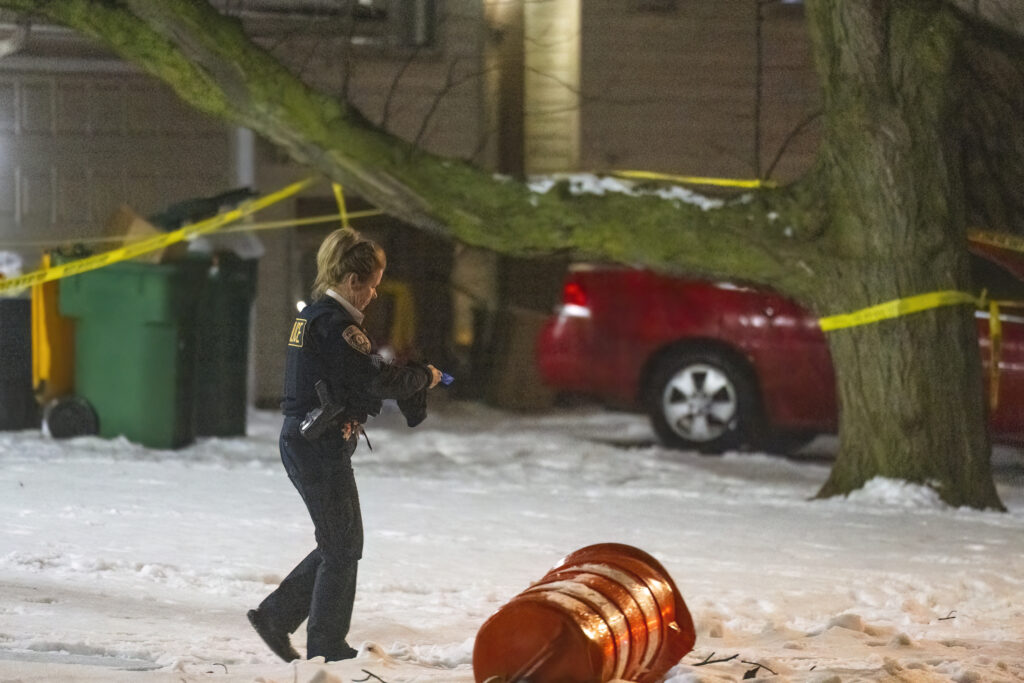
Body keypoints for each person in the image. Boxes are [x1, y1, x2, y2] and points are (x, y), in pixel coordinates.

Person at [247, 227, 442, 662]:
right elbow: (375, 379)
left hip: (312, 442)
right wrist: (423, 377)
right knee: (342, 547)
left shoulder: (318, 317)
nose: (374, 295)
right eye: (371, 286)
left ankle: (279, 618)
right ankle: (325, 645)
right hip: (315, 446)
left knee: (341, 542)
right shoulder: (336, 325)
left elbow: (357, 376)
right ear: (352, 282)